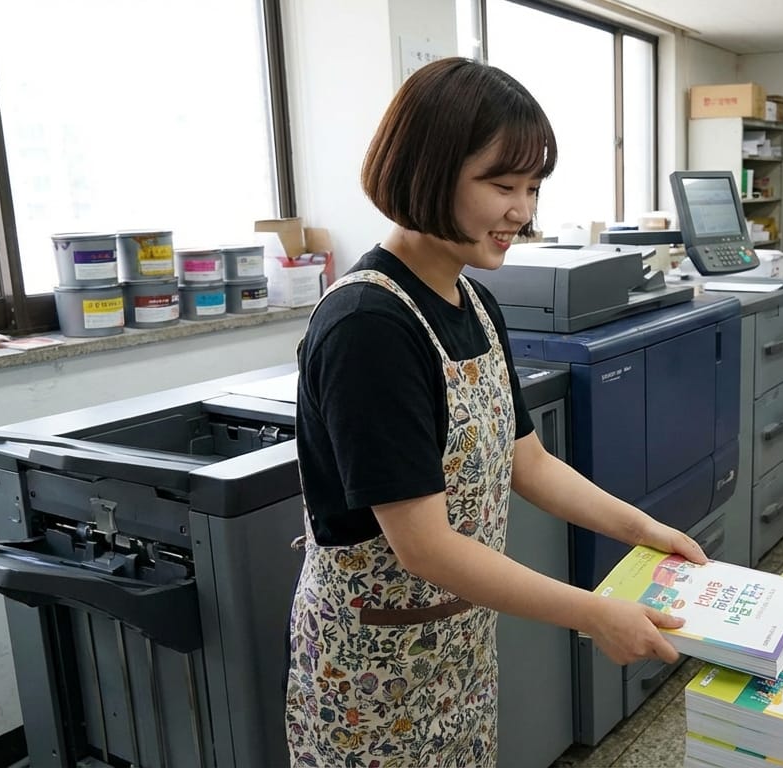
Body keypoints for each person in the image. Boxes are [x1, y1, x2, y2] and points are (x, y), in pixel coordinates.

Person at [284, 57, 707, 767]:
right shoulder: (367, 327)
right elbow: (425, 546)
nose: (522, 212)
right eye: (502, 186)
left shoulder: (473, 301)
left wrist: (646, 531)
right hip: (369, 675)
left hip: (455, 648)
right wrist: (596, 614)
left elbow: (528, 461)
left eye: (533, 188)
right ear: (427, 171)